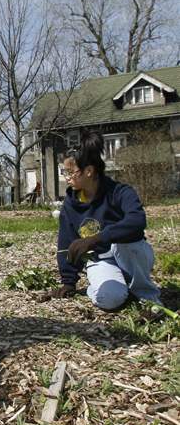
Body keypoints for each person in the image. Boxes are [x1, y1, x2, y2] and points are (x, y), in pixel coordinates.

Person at [51, 130, 161, 312]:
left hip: (131, 255)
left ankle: (148, 298)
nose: (66, 177)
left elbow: (137, 221)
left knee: (123, 242)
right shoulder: (70, 205)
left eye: (70, 172)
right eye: (64, 172)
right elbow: (66, 243)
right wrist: (68, 282)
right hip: (101, 261)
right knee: (109, 299)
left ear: (88, 171)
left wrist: (96, 239)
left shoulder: (120, 192)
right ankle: (117, 289)